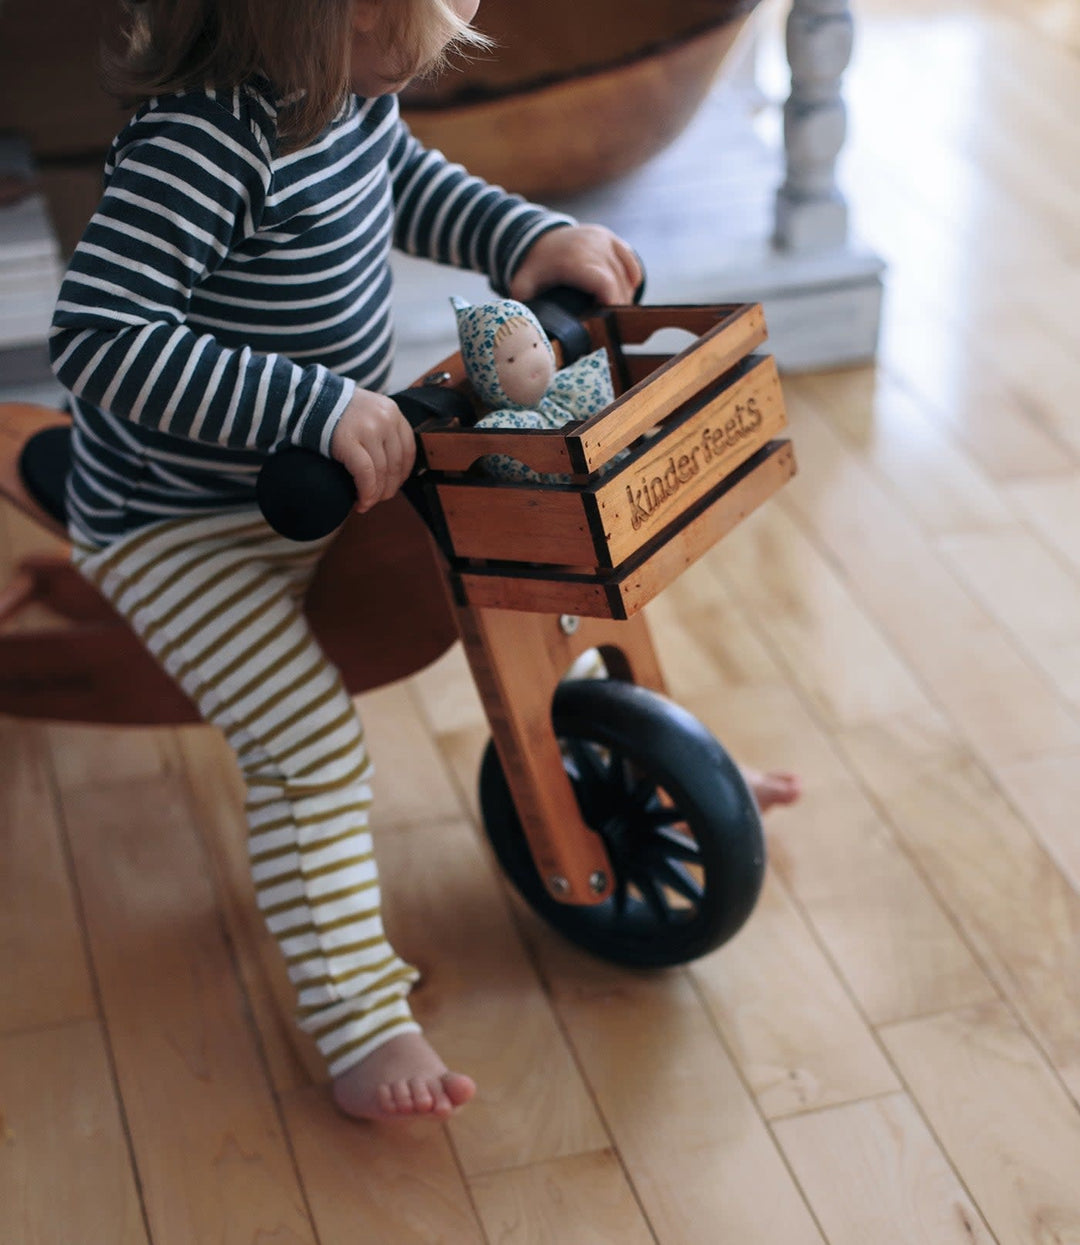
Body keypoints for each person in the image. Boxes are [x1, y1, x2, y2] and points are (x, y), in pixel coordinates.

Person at [49, 0, 797, 1126]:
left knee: (534, 557)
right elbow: (100, 333)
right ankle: (357, 1018)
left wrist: (525, 242)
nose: (458, 20)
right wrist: (307, 405)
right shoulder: (198, 143)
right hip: (180, 520)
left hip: (337, 479)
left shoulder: (345, 93)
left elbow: (406, 178)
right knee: (304, 738)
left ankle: (644, 761)